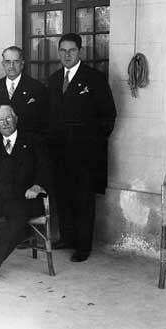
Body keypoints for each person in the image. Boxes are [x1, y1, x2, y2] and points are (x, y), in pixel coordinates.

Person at [47, 33, 116, 262]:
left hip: (86, 155)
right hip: (59, 152)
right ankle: (67, 237)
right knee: (63, 197)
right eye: (63, 51)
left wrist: (91, 144)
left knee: (83, 200)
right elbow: (50, 117)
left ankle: (83, 246)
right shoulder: (55, 79)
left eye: (72, 50)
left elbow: (108, 117)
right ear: (59, 53)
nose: (67, 55)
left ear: (80, 51)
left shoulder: (94, 79)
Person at [0, 105, 52, 287]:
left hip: (23, 197)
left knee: (12, 226)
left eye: (8, 118)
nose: (5, 123)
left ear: (16, 119)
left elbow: (46, 167)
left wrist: (37, 186)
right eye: (0, 120)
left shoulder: (33, 141)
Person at [0, 46, 48, 136]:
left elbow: (42, 123)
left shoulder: (36, 87)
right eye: (7, 62)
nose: (11, 66)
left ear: (22, 64)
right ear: (3, 64)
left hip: (27, 143)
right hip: (1, 143)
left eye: (16, 61)